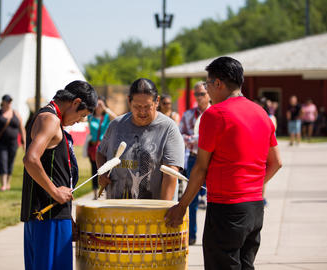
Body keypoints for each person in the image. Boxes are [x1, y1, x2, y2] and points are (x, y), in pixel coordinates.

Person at [165, 56, 282, 270]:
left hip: (226, 210)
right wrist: (253, 186)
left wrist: (182, 206)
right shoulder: (261, 113)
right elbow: (276, 163)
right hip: (255, 209)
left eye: (208, 85)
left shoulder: (215, 115)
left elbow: (200, 168)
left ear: (218, 83)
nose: (207, 90)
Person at [20, 80, 97, 270]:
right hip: (47, 217)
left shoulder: (49, 117)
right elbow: (31, 159)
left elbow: (55, 171)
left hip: (52, 215)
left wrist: (67, 215)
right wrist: (55, 193)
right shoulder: (50, 119)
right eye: (82, 115)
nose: (80, 121)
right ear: (76, 102)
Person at [97, 78, 184, 200]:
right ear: (129, 101)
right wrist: (103, 173)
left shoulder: (169, 129)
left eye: (147, 106)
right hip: (117, 209)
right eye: (137, 106)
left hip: (151, 210)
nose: (142, 112)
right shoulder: (116, 125)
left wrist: (163, 211)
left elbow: (171, 174)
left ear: (157, 101)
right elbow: (101, 152)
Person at [179, 81, 210, 245]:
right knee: (191, 198)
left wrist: (194, 140)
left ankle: (212, 235)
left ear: (209, 94)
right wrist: (197, 140)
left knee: (213, 200)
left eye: (202, 94)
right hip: (193, 157)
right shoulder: (188, 115)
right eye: (196, 94)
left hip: (212, 160)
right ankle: (191, 235)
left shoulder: (215, 113)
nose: (199, 97)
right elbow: (180, 135)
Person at [0, 94, 26, 191]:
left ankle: (8, 183)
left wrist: (24, 142)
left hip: (13, 143)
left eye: (10, 101)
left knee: (10, 162)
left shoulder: (16, 113)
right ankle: (3, 184)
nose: (9, 103)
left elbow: (22, 128)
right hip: (0, 143)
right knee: (2, 161)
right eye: (7, 101)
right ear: (3, 102)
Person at [87, 96, 117, 199]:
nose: (99, 107)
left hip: (105, 147)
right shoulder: (90, 117)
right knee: (94, 170)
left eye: (101, 104)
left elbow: (116, 118)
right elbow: (82, 118)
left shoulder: (107, 117)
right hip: (93, 147)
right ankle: (95, 194)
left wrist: (105, 108)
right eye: (97, 104)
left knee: (107, 170)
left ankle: (106, 192)